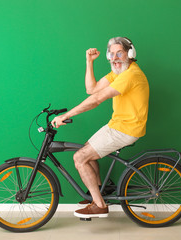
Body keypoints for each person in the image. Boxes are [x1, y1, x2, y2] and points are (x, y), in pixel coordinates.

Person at [51, 37, 149, 218]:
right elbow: (92, 89)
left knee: (80, 158)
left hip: (126, 129)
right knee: (86, 148)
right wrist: (89, 62)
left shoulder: (130, 75)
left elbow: (96, 100)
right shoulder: (119, 73)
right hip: (117, 125)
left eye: (119, 53)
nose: (114, 58)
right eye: (111, 54)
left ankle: (99, 205)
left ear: (130, 53)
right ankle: (99, 191)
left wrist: (66, 115)